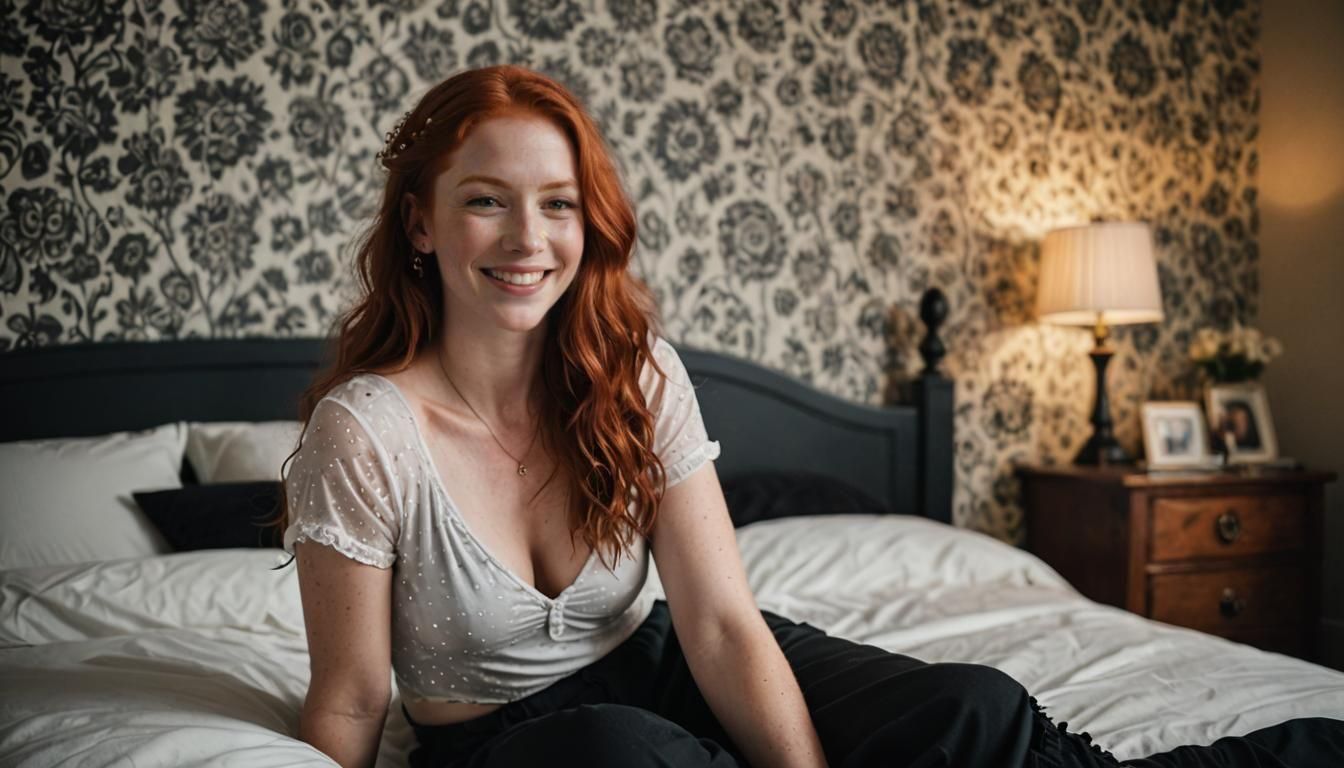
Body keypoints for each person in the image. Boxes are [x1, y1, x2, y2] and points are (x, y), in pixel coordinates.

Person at [277, 65, 1344, 768]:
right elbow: (351, 699)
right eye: (484, 199)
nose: (529, 237)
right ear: (420, 219)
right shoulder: (367, 434)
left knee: (971, 709)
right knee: (625, 754)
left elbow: (720, 624)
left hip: (666, 660)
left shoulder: (633, 372)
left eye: (557, 202)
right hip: (519, 743)